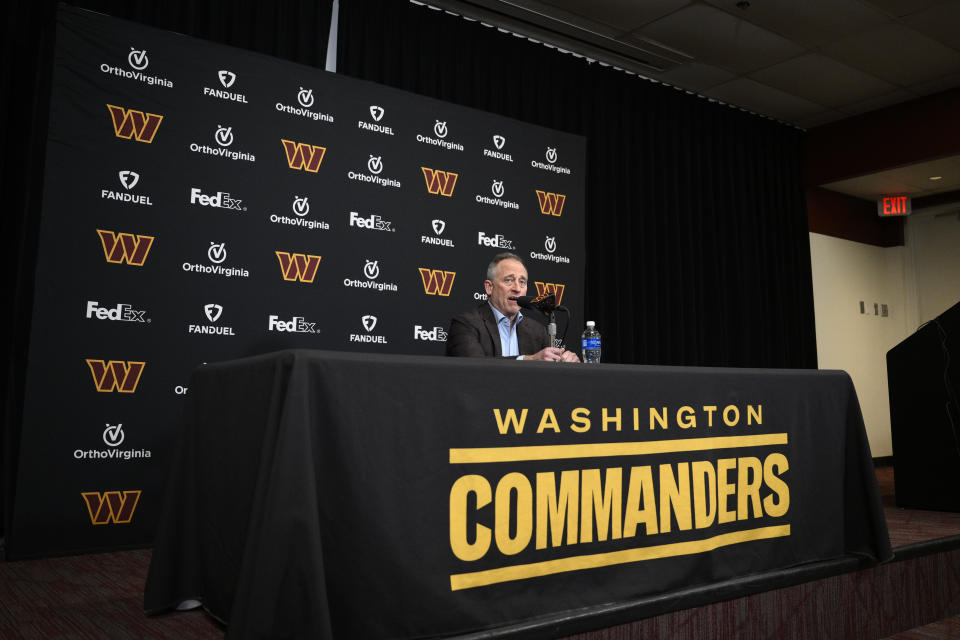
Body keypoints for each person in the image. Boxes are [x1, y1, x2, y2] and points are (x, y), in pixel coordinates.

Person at [445, 252, 579, 362]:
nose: (517, 289)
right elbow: (472, 369)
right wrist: (528, 360)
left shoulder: (537, 331)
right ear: (489, 287)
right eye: (508, 280)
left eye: (522, 282)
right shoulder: (465, 324)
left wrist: (564, 364)